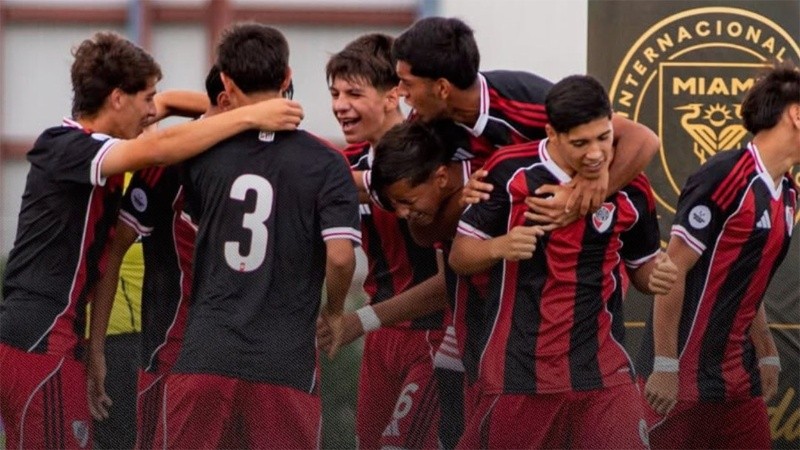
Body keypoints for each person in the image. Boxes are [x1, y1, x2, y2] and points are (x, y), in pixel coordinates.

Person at [0, 31, 302, 450]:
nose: (153, 112)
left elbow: (180, 105)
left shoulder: (93, 144)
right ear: (118, 98)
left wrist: (239, 103)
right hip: (38, 338)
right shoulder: (67, 144)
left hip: (56, 339)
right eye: (147, 100)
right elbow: (159, 148)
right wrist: (252, 116)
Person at [154, 23, 360, 449]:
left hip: (207, 352)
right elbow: (341, 257)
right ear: (287, 76)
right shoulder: (327, 161)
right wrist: (335, 312)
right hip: (286, 362)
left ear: (225, 82)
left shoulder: (200, 151)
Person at [448, 75, 676, 448]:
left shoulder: (632, 185)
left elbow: (642, 267)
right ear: (551, 134)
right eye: (580, 143)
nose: (596, 153)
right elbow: (459, 255)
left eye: (603, 138)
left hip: (604, 369)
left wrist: (658, 276)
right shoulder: (509, 172)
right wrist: (499, 247)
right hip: (520, 371)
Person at [638, 63, 799, 449]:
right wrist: (664, 365)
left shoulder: (788, 193)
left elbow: (746, 280)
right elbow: (671, 272)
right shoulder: (726, 175)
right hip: (683, 380)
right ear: (796, 114)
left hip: (737, 379)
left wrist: (765, 349)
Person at [391, 16, 659, 232]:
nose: (400, 92)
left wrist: (588, 191)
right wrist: (463, 198)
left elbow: (643, 139)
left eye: (407, 83)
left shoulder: (528, 103)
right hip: (482, 262)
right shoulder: (423, 128)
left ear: (442, 88)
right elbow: (424, 232)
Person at [86, 66, 232, 449]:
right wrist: (97, 348)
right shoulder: (150, 156)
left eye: (153, 99)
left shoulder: (159, 150)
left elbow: (206, 104)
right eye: (145, 99)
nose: (151, 109)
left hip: (179, 342)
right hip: (147, 338)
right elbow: (113, 251)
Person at [319, 33, 447, 450]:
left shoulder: (433, 152)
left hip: (437, 335)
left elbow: (451, 283)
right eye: (335, 93)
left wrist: (359, 319)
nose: (340, 104)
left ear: (394, 95)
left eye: (354, 93)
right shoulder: (348, 162)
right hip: (381, 337)